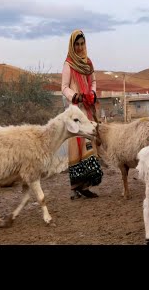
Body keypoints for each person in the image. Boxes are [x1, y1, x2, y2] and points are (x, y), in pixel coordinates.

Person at [61, 29, 103, 199]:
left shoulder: (88, 63)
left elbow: (93, 81)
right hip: (76, 111)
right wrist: (75, 95)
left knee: (88, 143)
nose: (79, 47)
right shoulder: (68, 64)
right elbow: (63, 87)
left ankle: (85, 185)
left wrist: (92, 93)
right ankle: (76, 186)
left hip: (87, 109)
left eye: (82, 44)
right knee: (76, 146)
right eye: (76, 45)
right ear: (72, 45)